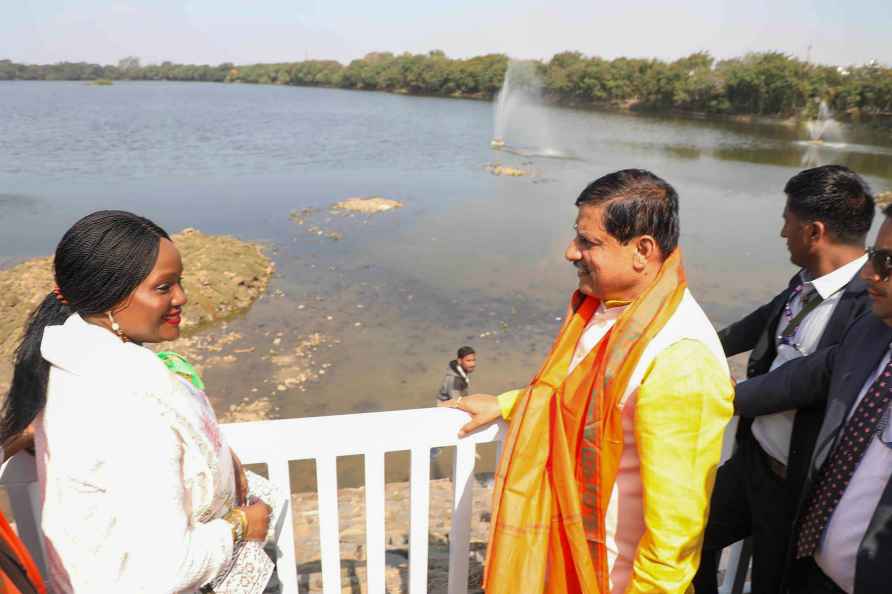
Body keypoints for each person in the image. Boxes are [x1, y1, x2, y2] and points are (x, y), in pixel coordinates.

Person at [448, 169, 734, 593]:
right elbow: (582, 397)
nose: (570, 252)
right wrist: (512, 404)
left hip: (610, 577)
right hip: (571, 558)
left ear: (642, 250)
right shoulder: (613, 309)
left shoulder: (681, 358)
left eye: (589, 242)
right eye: (576, 237)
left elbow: (675, 534)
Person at [0, 210, 273, 593]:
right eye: (164, 287)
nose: (182, 296)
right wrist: (243, 525)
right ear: (110, 297)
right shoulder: (125, 402)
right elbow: (170, 568)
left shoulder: (75, 366)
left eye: (179, 282)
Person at [693, 165, 875, 593]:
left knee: (772, 583)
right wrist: (691, 350)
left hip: (792, 491)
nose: (781, 233)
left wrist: (732, 397)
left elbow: (811, 381)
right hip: (752, 462)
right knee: (688, 537)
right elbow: (761, 323)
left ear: (814, 231)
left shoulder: (869, 305)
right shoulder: (807, 279)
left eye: (786, 222)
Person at [731, 204, 892, 594]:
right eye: (874, 256)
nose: (870, 273)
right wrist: (719, 396)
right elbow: (798, 380)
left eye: (887, 262)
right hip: (812, 567)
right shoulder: (870, 333)